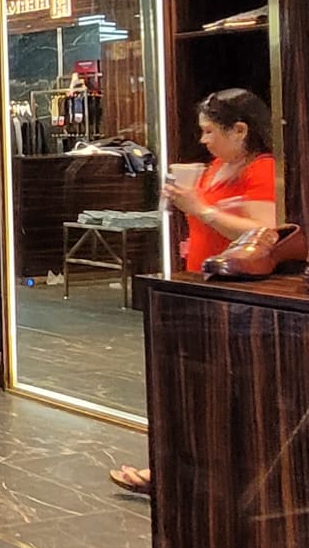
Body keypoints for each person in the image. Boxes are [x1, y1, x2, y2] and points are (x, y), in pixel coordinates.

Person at [109, 87, 276, 498]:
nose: (203, 140)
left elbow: (265, 232)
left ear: (240, 131)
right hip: (201, 283)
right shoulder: (216, 167)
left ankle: (184, 473)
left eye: (210, 131)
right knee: (188, 385)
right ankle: (175, 469)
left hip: (237, 291)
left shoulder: (262, 170)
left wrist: (200, 208)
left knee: (217, 389)